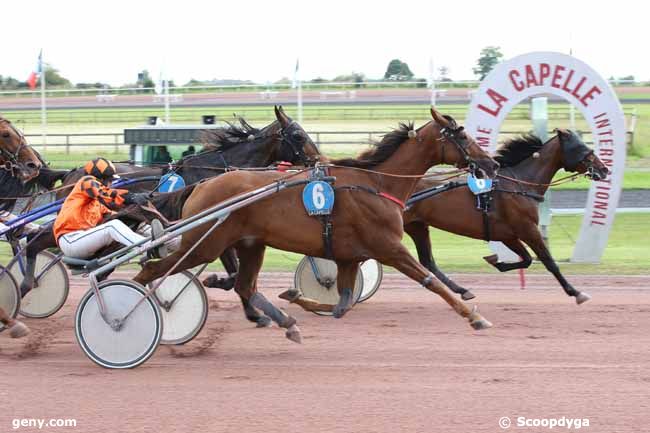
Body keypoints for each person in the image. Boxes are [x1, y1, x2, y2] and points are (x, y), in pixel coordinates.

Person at [53, 158, 166, 260]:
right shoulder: (86, 182)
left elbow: (116, 214)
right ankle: (149, 247)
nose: (111, 183)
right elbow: (105, 194)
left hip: (82, 241)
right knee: (113, 226)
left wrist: (136, 217)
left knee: (127, 222)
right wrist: (132, 197)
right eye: (110, 180)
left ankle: (170, 241)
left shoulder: (96, 205)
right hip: (70, 240)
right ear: (101, 179)